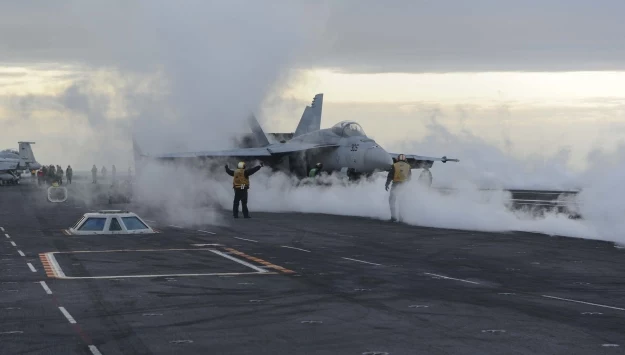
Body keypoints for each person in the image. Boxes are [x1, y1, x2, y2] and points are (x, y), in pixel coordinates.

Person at [385, 154, 412, 222]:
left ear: (398, 159)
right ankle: (401, 218)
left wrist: (387, 184)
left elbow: (390, 176)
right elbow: (409, 178)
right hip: (403, 186)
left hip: (395, 185)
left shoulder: (394, 165)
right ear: (405, 159)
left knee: (392, 201)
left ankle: (393, 217)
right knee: (402, 202)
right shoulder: (408, 166)